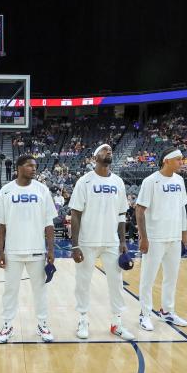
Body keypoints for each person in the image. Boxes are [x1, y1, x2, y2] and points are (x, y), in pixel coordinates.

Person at [69, 144, 135, 341]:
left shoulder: (118, 182)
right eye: (104, 150)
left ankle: (117, 322)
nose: (109, 152)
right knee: (83, 282)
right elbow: (75, 214)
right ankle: (83, 319)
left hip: (111, 242)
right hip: (87, 241)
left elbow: (122, 213)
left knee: (116, 282)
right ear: (95, 156)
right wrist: (75, 245)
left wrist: (123, 241)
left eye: (110, 150)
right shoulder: (85, 181)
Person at [0, 155, 57, 343]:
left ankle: (43, 325)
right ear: (19, 167)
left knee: (40, 291)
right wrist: (0, 251)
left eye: (35, 166)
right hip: (12, 252)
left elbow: (49, 223)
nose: (33, 169)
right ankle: (7, 326)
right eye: (29, 165)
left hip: (37, 251)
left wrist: (51, 250)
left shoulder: (42, 190)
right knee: (10, 290)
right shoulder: (6, 191)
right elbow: (0, 225)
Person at [135, 147, 187, 331]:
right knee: (147, 279)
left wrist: (183, 234)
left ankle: (167, 311)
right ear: (167, 160)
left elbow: (182, 208)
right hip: (155, 237)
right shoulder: (151, 181)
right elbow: (139, 210)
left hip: (174, 237)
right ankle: (144, 314)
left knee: (171, 278)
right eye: (178, 159)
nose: (182, 162)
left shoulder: (180, 180)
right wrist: (143, 237)